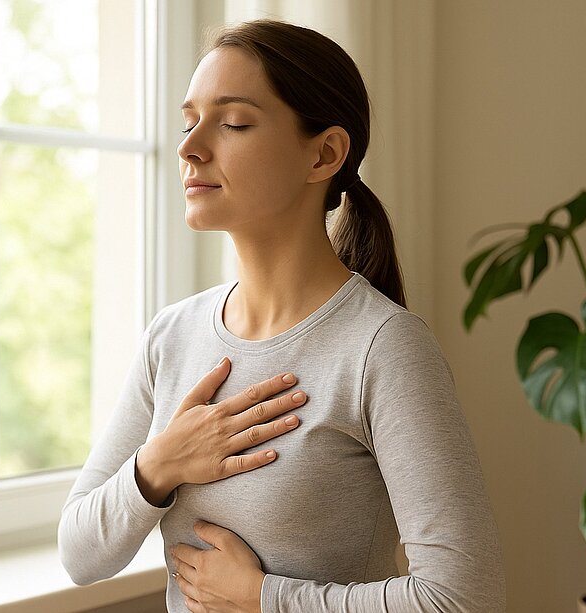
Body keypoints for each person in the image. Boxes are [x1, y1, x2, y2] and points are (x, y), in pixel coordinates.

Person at [58, 18, 505, 613]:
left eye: (233, 122)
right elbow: (80, 554)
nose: (191, 146)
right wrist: (159, 464)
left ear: (324, 154)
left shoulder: (384, 349)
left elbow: (464, 599)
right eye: (189, 121)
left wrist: (264, 597)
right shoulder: (171, 337)